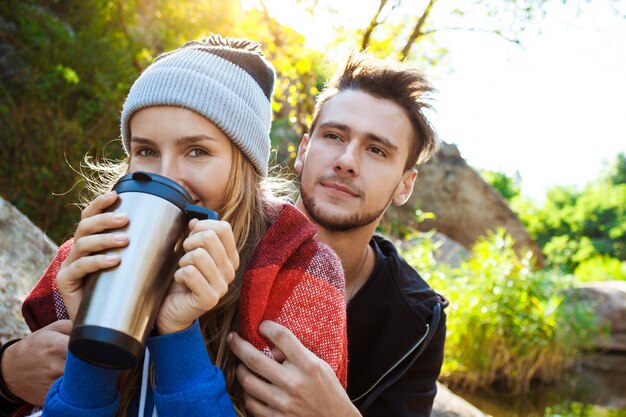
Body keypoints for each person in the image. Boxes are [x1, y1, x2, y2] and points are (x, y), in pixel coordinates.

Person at [0, 35, 347, 417]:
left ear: (244, 166)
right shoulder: (86, 261)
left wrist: (178, 332)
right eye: (146, 151)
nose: (168, 176)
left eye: (196, 151)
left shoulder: (301, 272)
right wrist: (91, 344)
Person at [227, 52, 448, 417]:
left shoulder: (417, 319)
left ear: (405, 185)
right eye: (333, 135)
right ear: (303, 150)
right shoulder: (231, 236)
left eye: (376, 150)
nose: (346, 161)